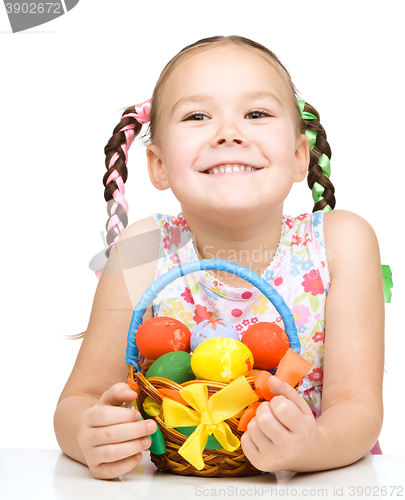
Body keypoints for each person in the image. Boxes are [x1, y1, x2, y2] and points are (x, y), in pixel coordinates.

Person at [54, 35, 384, 480]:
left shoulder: (342, 243)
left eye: (257, 114)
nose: (229, 132)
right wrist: (89, 435)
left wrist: (311, 446)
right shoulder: (141, 249)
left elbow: (358, 409)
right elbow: (79, 400)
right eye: (197, 116)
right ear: (159, 165)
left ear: (299, 154)